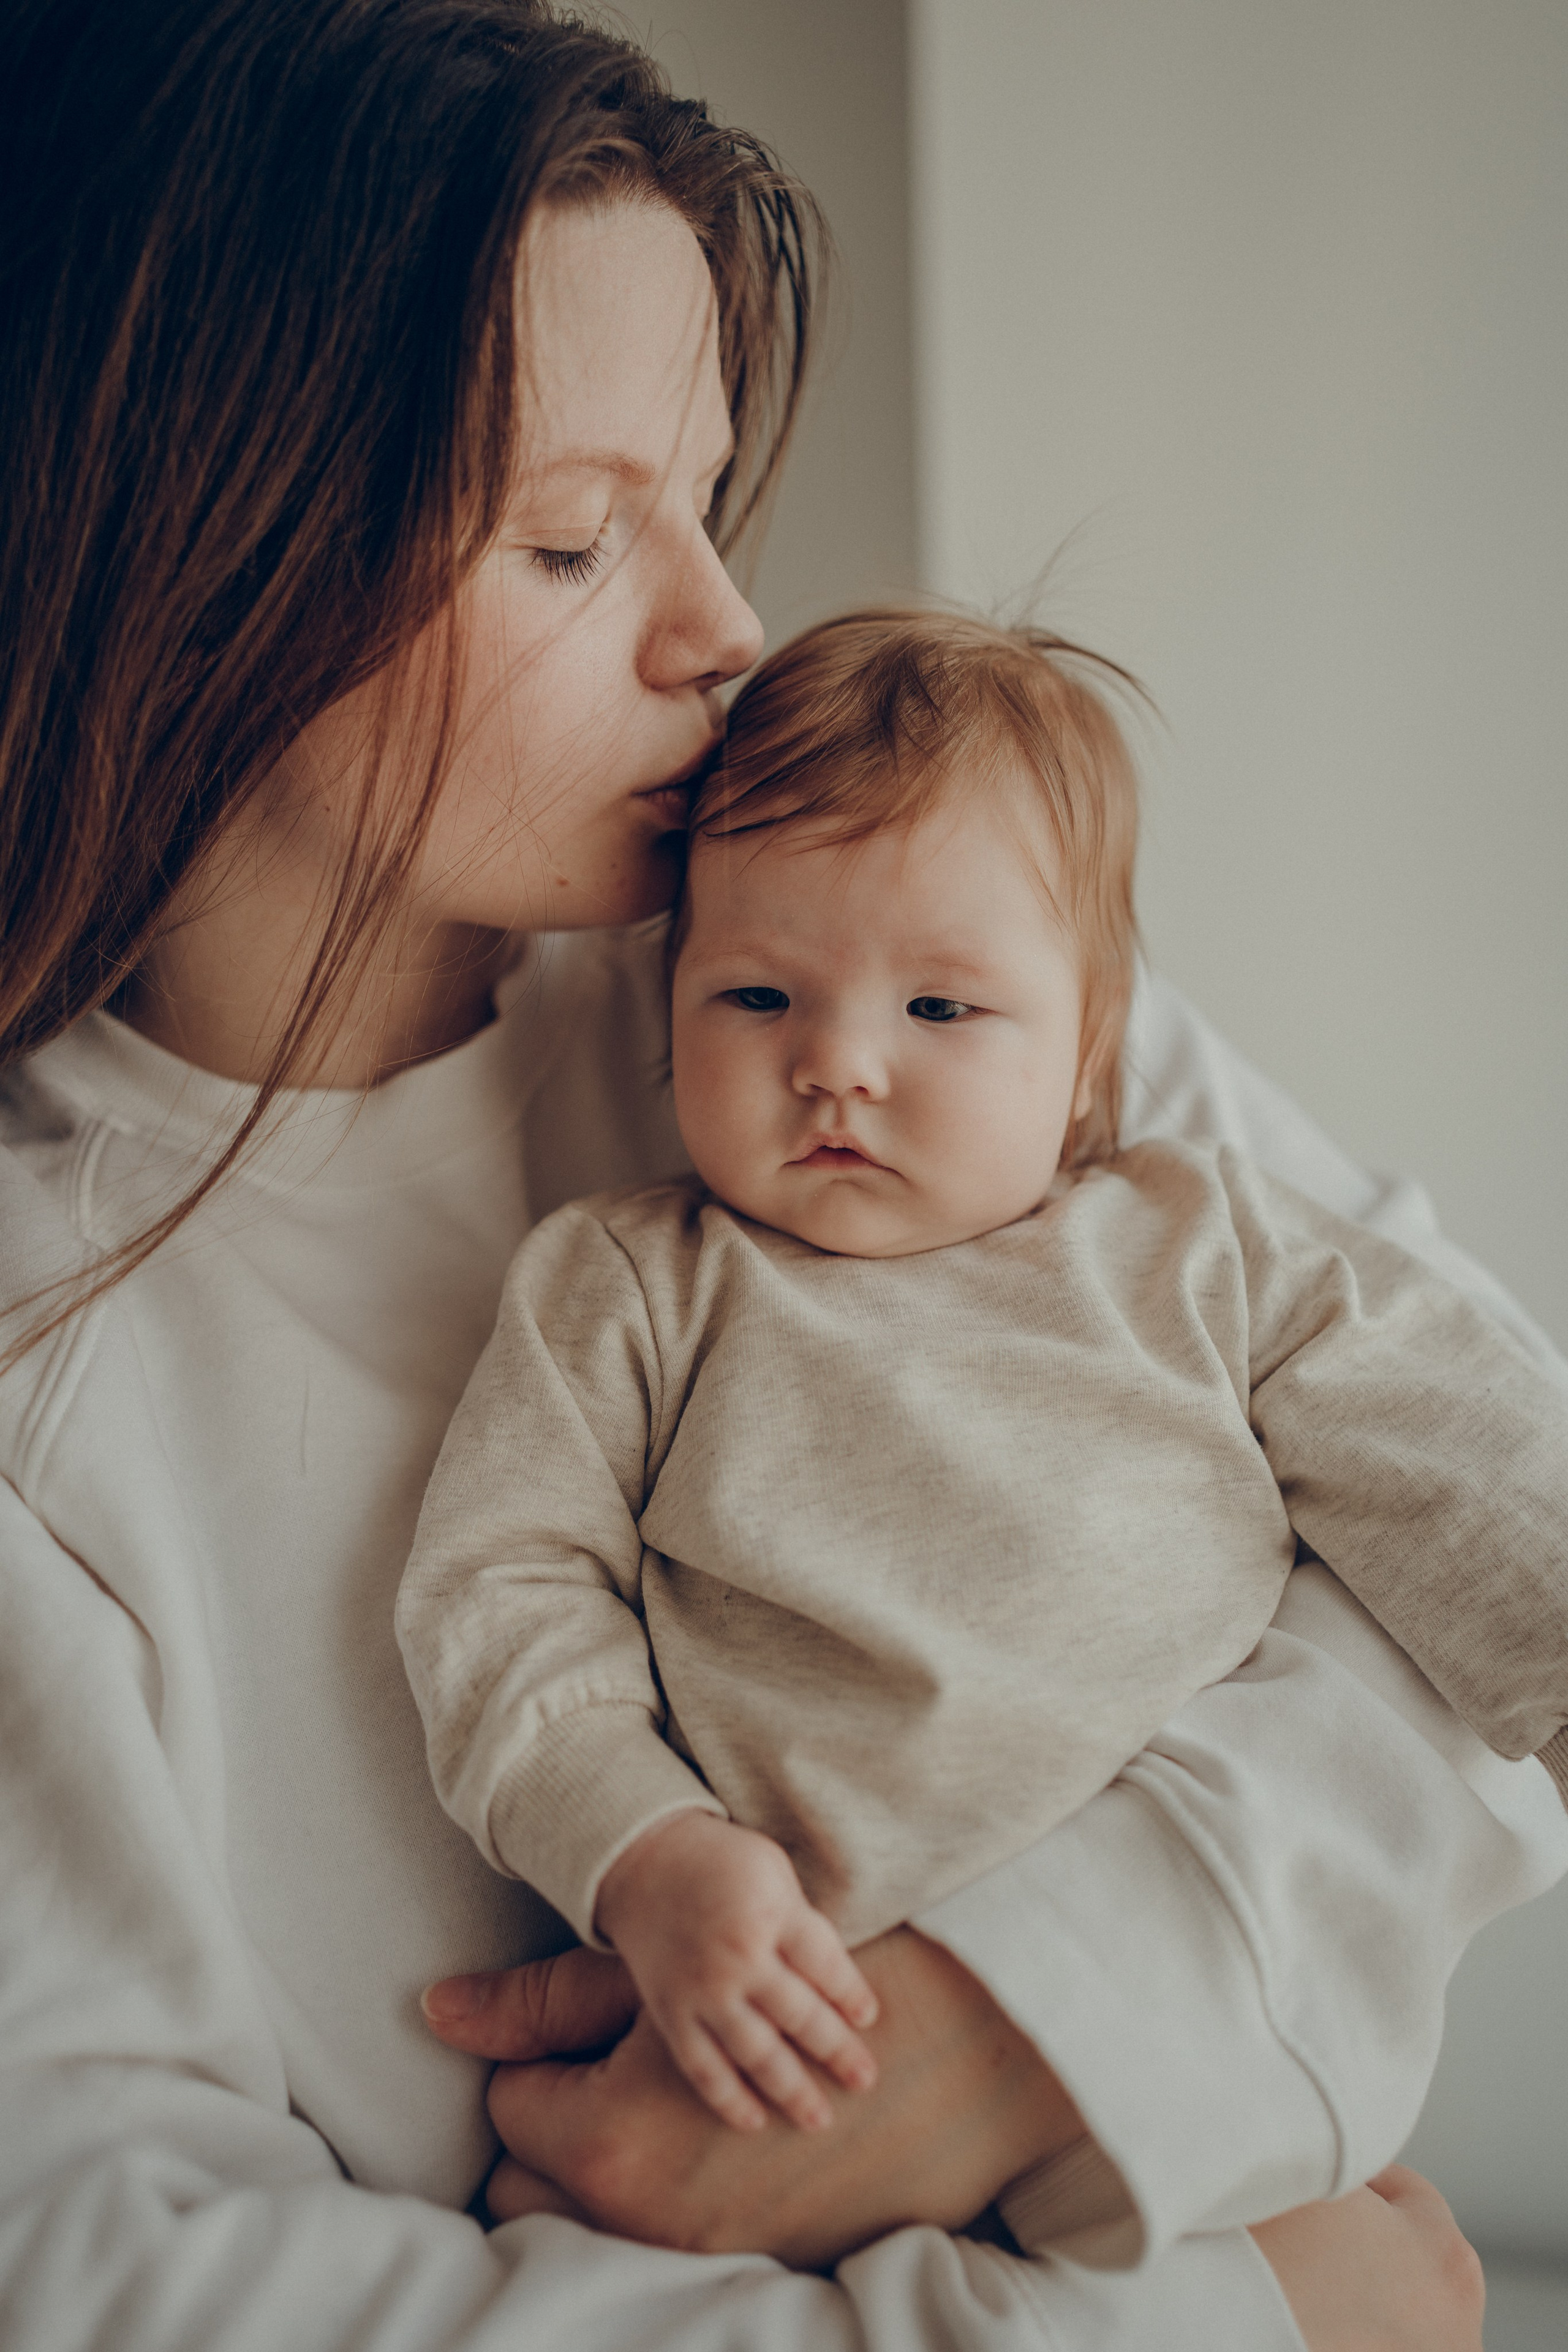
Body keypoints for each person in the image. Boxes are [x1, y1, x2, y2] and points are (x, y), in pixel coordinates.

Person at [0, 2, 1558, 2346]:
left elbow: (1479, 1531)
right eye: (572, 537)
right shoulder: (56, 1352)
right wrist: (1247, 2326)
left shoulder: (888, 979)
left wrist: (1004, 2036)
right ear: (196, 561)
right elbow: (118, 2271)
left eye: (706, 499)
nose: (727, 629)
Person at [396, 607, 1568, 2182]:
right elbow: (500, 1591)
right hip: (781, 2006)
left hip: (1171, 2009)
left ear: (1089, 1057)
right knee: (568, 2206)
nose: (837, 1063)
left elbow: (1455, 1441)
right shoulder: (627, 1289)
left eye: (937, 1010)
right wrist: (645, 1852)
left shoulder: (1199, 1246)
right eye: (754, 998)